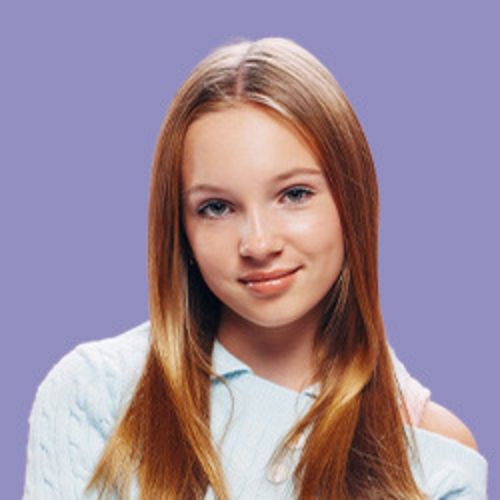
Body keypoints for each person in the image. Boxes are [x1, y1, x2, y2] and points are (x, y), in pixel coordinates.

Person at [23, 37, 488, 499]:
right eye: (217, 207)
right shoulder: (98, 392)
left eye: (295, 195)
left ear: (352, 199)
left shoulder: (431, 449)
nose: (258, 244)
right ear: (180, 227)